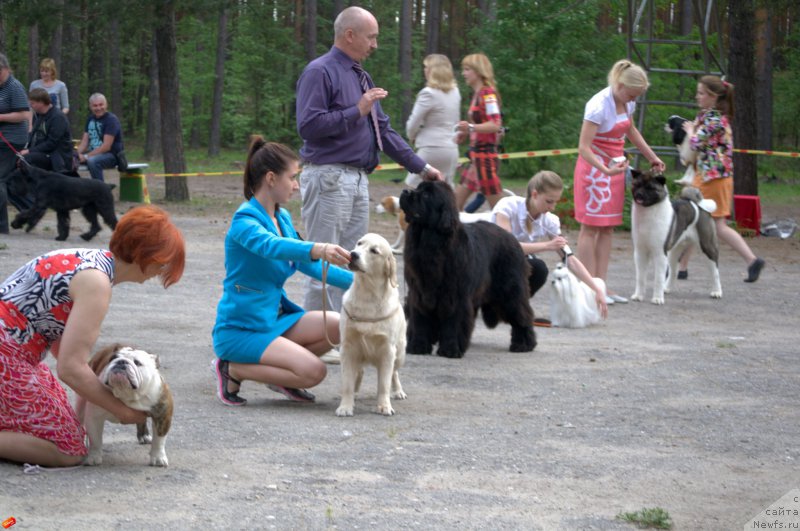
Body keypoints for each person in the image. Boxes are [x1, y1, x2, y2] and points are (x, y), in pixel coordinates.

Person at [0, 205, 186, 467]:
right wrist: (121, 411)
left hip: (13, 352)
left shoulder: (89, 261)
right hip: (7, 355)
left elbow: (64, 347)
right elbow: (70, 368)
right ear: (149, 257)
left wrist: (85, 398)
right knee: (68, 450)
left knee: (67, 426)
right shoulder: (96, 283)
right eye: (164, 264)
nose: (161, 272)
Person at [295, 5, 443, 312]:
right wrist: (356, 110)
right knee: (323, 264)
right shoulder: (319, 72)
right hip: (328, 178)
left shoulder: (361, 75)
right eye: (371, 37)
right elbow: (308, 126)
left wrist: (423, 168)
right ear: (350, 35)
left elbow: (383, 131)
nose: (375, 44)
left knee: (353, 265)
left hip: (358, 180)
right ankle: (318, 339)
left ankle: (343, 333)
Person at [211, 137, 354, 407]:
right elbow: (271, 246)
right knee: (315, 372)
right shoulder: (244, 221)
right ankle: (232, 368)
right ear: (271, 178)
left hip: (274, 322)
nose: (297, 185)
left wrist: (359, 282)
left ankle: (282, 376)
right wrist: (317, 247)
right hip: (242, 329)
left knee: (339, 324)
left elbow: (305, 264)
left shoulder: (282, 216)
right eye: (293, 177)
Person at [573, 59, 665, 305]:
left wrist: (651, 157)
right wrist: (604, 169)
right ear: (620, 84)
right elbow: (583, 147)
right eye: (632, 95)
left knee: (607, 227)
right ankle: (589, 286)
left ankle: (602, 285)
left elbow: (631, 131)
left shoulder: (627, 102)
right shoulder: (597, 105)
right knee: (589, 227)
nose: (633, 100)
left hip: (615, 168)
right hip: (594, 171)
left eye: (636, 97)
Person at [677, 76, 765, 283]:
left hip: (713, 179)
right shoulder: (710, 117)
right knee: (695, 220)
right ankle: (681, 267)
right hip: (708, 176)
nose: (697, 96)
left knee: (715, 225)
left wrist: (690, 131)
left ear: (713, 96)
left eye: (701, 93)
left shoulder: (715, 119)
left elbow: (697, 143)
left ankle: (752, 260)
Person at [491, 171, 608, 321]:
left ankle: (510, 306)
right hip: (491, 260)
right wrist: (547, 245)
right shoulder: (508, 206)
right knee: (526, 265)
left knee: (538, 268)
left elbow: (569, 259)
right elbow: (507, 247)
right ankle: (493, 302)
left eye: (556, 202)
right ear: (534, 194)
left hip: (512, 262)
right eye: (549, 201)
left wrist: (596, 288)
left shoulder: (550, 221)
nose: (553, 207)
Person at [452, 53, 505, 212]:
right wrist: (467, 132)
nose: (463, 73)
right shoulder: (477, 94)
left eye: (467, 69)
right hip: (476, 158)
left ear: (479, 71)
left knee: (500, 209)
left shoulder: (487, 94)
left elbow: (495, 124)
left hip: (485, 158)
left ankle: (513, 234)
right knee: (455, 205)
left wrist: (470, 128)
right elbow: (482, 124)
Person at [404, 53, 461, 188]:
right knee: (445, 191)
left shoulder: (428, 93)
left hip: (431, 148)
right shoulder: (455, 92)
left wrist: (412, 136)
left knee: (414, 187)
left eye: (426, 67)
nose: (424, 70)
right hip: (451, 149)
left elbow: (413, 123)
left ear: (431, 70)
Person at [0, 53, 31, 235]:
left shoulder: (14, 86)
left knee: (0, 179)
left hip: (11, 140)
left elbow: (23, 114)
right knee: (10, 182)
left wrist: (1, 117)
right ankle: (30, 211)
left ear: (3, 69)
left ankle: (2, 226)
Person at [20, 88, 74, 173]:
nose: (31, 106)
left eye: (33, 103)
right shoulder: (39, 116)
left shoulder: (58, 118)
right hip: (43, 153)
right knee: (19, 157)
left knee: (28, 158)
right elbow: (34, 136)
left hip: (56, 157)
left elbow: (51, 143)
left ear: (41, 102)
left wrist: (29, 151)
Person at [75, 93, 124, 182]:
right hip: (93, 153)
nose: (98, 108)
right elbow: (84, 142)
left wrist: (86, 156)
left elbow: (106, 147)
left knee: (93, 161)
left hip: (111, 155)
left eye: (101, 105)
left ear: (106, 105)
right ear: (90, 106)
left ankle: (100, 190)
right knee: (68, 159)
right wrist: (75, 154)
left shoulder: (111, 120)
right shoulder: (90, 119)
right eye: (95, 106)